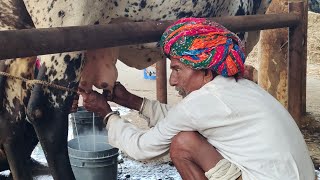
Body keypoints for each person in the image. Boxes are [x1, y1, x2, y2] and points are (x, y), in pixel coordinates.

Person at [78, 18, 315, 180]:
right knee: (186, 135)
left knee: (182, 144)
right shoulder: (239, 88)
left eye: (178, 69)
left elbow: (142, 148)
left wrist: (106, 114)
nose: (172, 80)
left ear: (205, 72)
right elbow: (180, 120)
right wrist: (131, 100)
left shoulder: (201, 104)